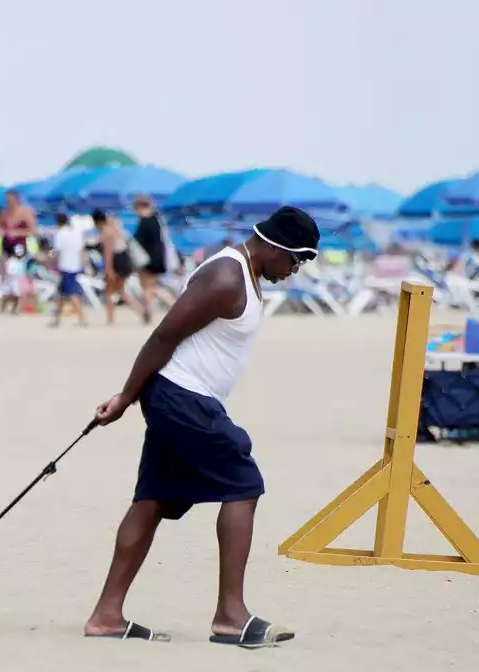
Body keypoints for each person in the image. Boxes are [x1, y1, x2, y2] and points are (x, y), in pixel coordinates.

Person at [83, 206, 321, 648]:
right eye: (296, 260)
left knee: (153, 500)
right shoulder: (227, 277)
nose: (295, 270)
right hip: (181, 397)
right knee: (243, 482)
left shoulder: (244, 274)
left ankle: (106, 617)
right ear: (275, 247)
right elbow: (162, 337)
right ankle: (231, 616)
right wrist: (124, 397)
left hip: (183, 397)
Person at [92, 209, 146, 325]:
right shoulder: (115, 228)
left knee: (109, 291)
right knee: (120, 291)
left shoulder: (106, 232)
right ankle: (141, 311)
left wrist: (108, 269)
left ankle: (110, 320)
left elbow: (108, 253)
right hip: (125, 260)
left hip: (118, 262)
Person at [133, 195, 169, 320]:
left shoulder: (144, 221)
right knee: (152, 287)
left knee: (148, 287)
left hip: (148, 259)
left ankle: (148, 312)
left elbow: (138, 241)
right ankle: (151, 310)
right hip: (159, 257)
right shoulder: (157, 219)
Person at [49, 212, 87, 328]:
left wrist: (49, 260)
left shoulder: (61, 233)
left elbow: (57, 251)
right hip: (76, 265)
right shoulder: (76, 232)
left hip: (66, 266)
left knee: (72, 292)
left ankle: (82, 318)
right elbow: (82, 250)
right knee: (61, 293)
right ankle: (56, 319)